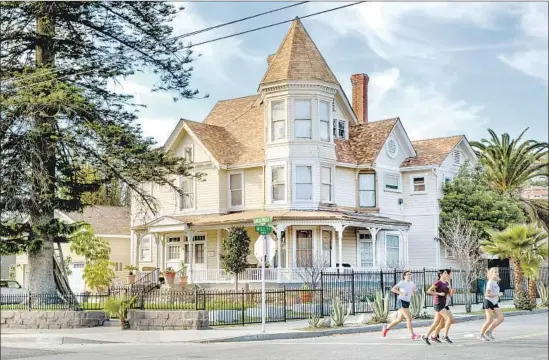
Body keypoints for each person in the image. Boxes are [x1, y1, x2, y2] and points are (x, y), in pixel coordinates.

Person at [382, 271, 421, 341]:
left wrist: (415, 291)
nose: (409, 275)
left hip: (407, 302)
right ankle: (413, 335)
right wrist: (401, 293)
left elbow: (415, 290)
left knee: (399, 320)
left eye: (410, 274)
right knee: (409, 318)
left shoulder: (412, 283)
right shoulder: (402, 283)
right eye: (408, 274)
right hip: (401, 301)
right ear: (404, 276)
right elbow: (393, 289)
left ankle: (386, 328)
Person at [422, 270, 454, 345]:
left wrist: (450, 289)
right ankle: (445, 336)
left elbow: (449, 294)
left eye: (446, 273)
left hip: (443, 304)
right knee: (449, 319)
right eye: (445, 273)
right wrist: (438, 293)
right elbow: (429, 291)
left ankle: (426, 336)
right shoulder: (438, 282)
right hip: (438, 303)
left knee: (436, 322)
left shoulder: (446, 283)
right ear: (441, 274)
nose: (446, 274)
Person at [478, 267, 505, 341]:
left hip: (495, 303)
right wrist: (497, 294)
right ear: (491, 273)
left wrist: (497, 294)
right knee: (489, 320)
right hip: (489, 302)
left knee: (501, 318)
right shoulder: (490, 282)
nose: (497, 273)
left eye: (497, 272)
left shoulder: (495, 282)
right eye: (495, 272)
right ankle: (481, 335)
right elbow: (487, 294)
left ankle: (489, 331)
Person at [430, 269, 456, 343]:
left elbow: (449, 294)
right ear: (447, 274)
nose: (452, 275)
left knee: (446, 321)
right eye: (451, 274)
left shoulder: (447, 282)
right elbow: (431, 291)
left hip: (445, 304)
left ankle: (435, 334)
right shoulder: (442, 282)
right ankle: (439, 335)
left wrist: (452, 291)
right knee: (444, 321)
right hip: (441, 304)